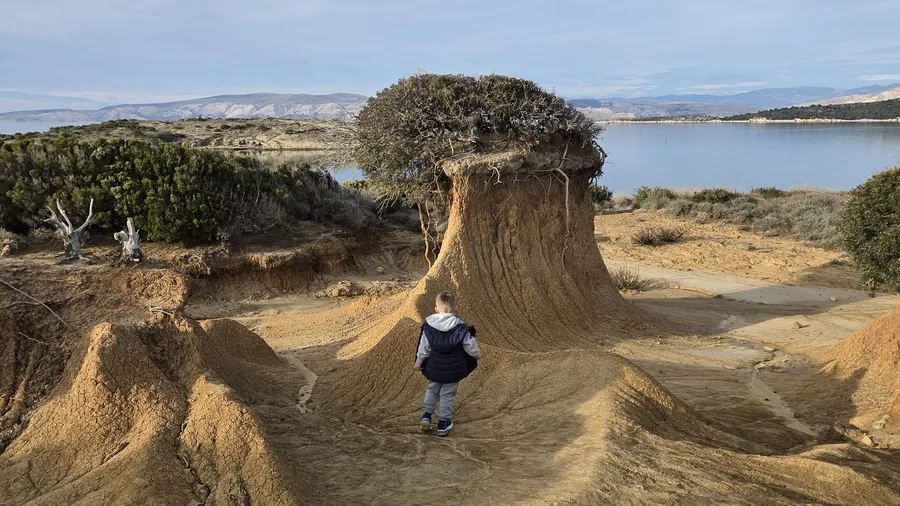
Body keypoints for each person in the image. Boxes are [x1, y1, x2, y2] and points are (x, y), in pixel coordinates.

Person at [414, 292, 481, 436]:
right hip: (453, 370)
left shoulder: (428, 327)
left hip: (434, 368)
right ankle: (444, 423)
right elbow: (470, 345)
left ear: (436, 308)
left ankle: (426, 415)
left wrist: (419, 362)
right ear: (453, 308)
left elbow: (423, 347)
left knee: (432, 390)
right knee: (447, 394)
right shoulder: (461, 328)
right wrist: (476, 355)